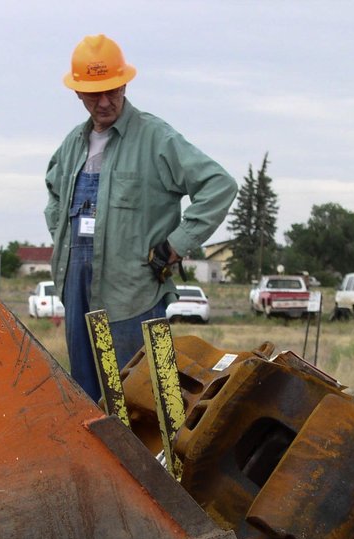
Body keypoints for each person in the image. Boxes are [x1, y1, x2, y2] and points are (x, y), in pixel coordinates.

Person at [45, 33, 237, 400]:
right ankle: (98, 459)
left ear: (125, 83)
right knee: (89, 400)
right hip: (78, 296)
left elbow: (219, 185)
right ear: (78, 93)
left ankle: (160, 460)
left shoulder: (155, 138)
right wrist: (62, 242)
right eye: (94, 94)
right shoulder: (73, 144)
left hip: (134, 299)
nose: (105, 102)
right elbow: (54, 194)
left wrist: (178, 244)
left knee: (150, 401)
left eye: (113, 91)